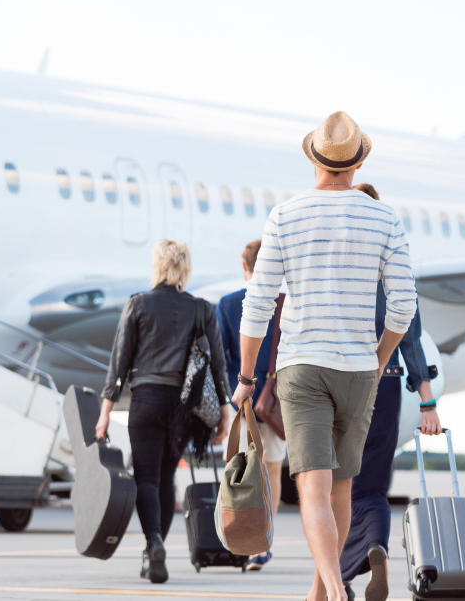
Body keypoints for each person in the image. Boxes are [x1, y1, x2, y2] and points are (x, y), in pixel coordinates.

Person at [232, 112, 417, 601]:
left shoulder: (286, 216)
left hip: (303, 366)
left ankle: (334, 591)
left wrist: (246, 377)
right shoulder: (385, 217)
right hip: (358, 369)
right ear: (356, 164)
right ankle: (323, 593)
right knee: (341, 489)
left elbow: (258, 304)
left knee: (312, 487)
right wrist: (379, 359)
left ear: (314, 159)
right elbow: (403, 305)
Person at [95, 240, 233, 585]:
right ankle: (155, 547)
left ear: (157, 266)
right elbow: (218, 363)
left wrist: (104, 412)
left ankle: (152, 543)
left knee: (146, 477)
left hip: (145, 399)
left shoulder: (137, 305)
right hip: (182, 406)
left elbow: (119, 363)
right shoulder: (201, 308)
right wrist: (225, 411)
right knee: (167, 476)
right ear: (185, 268)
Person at [338, 183, 441, 601]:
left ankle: (339, 573)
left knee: (336, 484)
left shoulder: (336, 263)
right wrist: (428, 399)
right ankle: (376, 547)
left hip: (339, 380)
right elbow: (411, 335)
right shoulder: (394, 263)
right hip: (388, 381)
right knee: (373, 489)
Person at [216, 239, 288, 572]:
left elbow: (220, 359)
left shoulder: (228, 305)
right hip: (274, 405)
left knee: (237, 471)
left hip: (240, 400)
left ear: (244, 267)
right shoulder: (287, 304)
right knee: (270, 472)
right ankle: (263, 542)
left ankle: (238, 537)